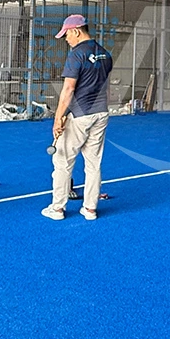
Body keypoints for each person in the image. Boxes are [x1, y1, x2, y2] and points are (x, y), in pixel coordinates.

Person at [42, 14, 113, 222]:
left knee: (62, 161)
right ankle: (90, 209)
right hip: (101, 114)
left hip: (80, 115)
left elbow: (68, 88)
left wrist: (58, 118)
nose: (65, 39)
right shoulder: (105, 54)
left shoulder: (76, 54)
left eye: (66, 35)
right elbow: (106, 88)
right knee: (93, 164)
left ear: (76, 30)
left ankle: (57, 209)